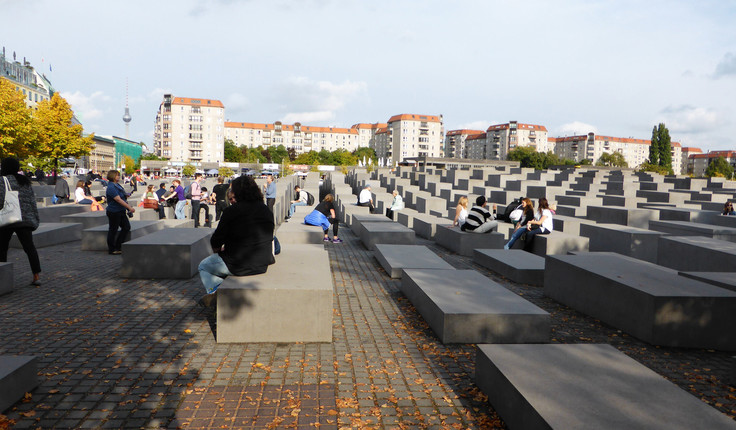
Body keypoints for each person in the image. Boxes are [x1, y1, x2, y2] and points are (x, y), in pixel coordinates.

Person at [197, 175, 275, 305]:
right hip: (263, 263)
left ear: (238, 192)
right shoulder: (266, 210)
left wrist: (218, 250)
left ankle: (216, 296)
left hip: (238, 264)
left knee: (204, 266)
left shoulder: (231, 211)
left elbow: (216, 241)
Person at [0, 157, 42, 286]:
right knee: (29, 248)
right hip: (25, 219)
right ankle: (36, 275)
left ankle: (3, 277)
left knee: (2, 248)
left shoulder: (2, 180)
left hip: (8, 218)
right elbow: (31, 201)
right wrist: (34, 218)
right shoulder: (25, 181)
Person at [105, 170, 135, 255]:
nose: (119, 177)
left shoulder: (117, 185)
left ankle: (118, 246)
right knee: (113, 230)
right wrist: (129, 207)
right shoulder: (111, 187)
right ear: (113, 176)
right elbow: (117, 199)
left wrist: (126, 195)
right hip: (114, 211)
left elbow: (121, 195)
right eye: (117, 175)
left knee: (126, 227)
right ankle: (112, 249)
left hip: (121, 210)